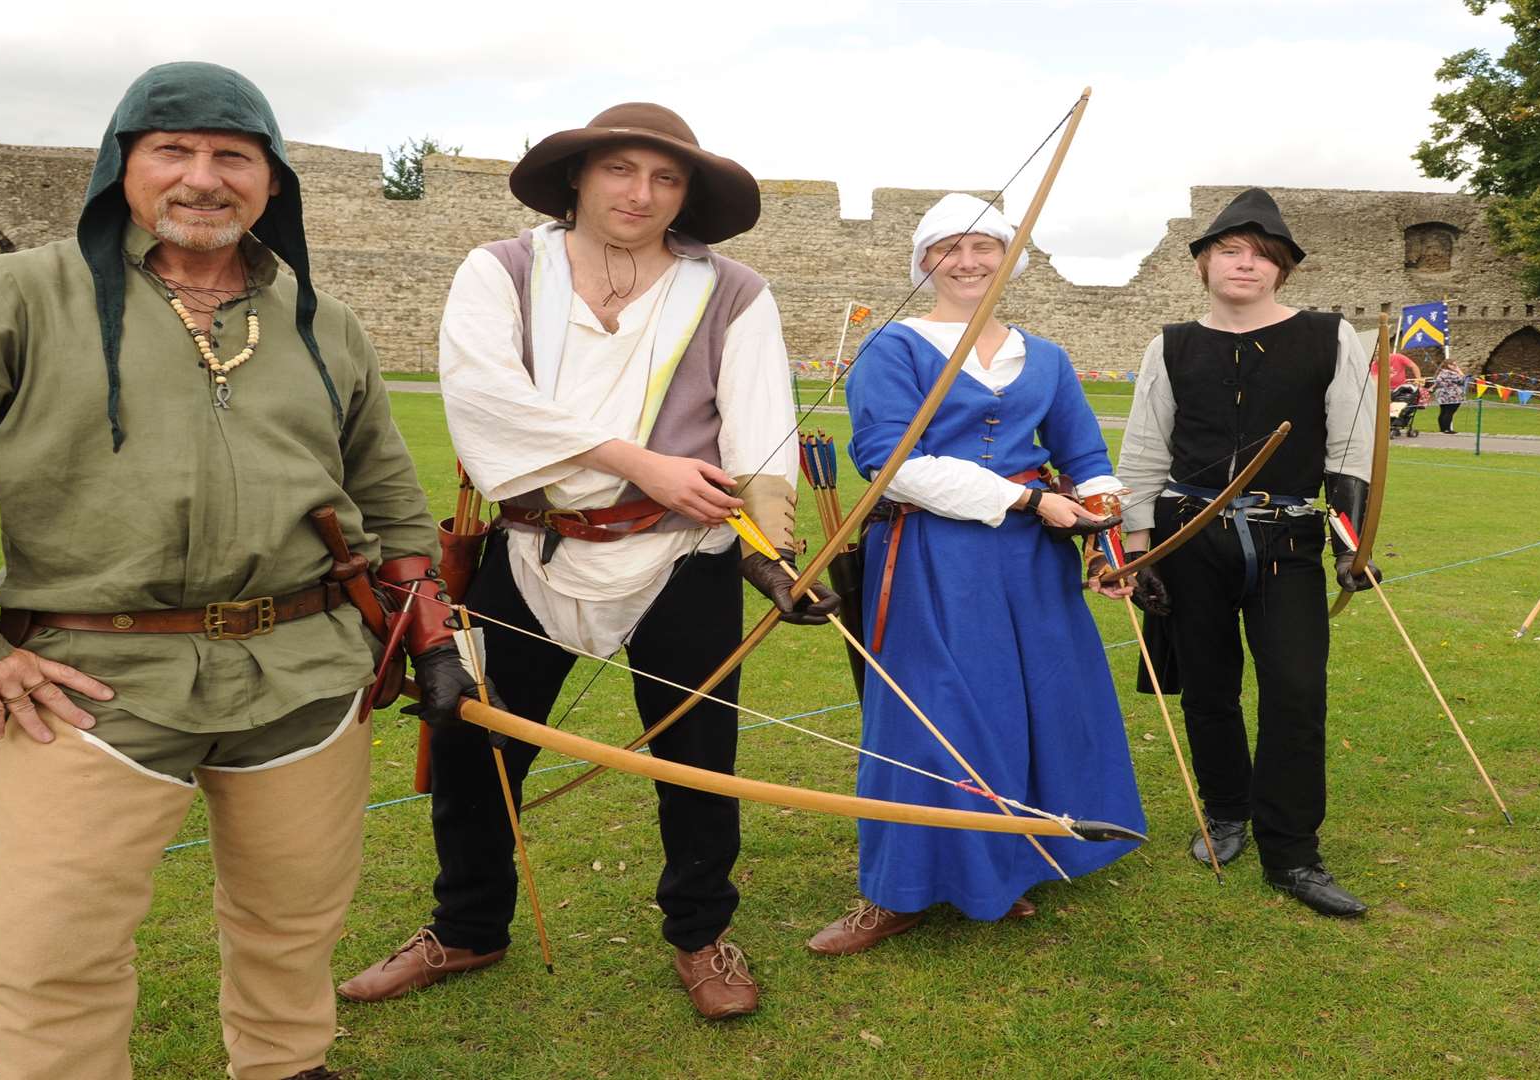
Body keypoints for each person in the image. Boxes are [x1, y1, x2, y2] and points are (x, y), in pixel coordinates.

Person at [0, 62, 458, 1080]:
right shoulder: (11, 295)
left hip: (306, 672)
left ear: (272, 181)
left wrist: (428, 622)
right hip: (87, 682)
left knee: (295, 923)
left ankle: (285, 1067)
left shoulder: (326, 324)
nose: (203, 178)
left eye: (233, 155)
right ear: (124, 168)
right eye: (173, 151)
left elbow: (387, 490)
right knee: (55, 950)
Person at [337, 102, 837, 1020]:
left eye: (666, 178)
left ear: (688, 192)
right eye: (620, 171)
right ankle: (469, 926)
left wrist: (772, 554)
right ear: (578, 175)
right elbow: (490, 402)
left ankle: (699, 933)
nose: (640, 194)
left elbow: (762, 426)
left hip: (684, 550)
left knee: (698, 755)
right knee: (473, 742)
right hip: (533, 544)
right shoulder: (502, 270)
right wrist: (637, 461)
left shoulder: (734, 290)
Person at [805, 193, 1146, 955]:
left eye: (984, 247)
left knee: (1024, 709)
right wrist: (1030, 501)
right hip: (932, 557)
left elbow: (1087, 458)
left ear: (1009, 258)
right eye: (948, 249)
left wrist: (1107, 545)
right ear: (924, 263)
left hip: (1032, 568)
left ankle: (1001, 868)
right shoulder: (893, 348)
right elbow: (892, 465)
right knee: (930, 716)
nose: (967, 262)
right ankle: (894, 892)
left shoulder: (1046, 356)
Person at [1115, 187, 1377, 918]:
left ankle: (1293, 851)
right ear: (1202, 263)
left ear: (1283, 271)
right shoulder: (1170, 346)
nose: (1246, 265)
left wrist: (1349, 547)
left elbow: (1353, 450)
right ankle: (1225, 811)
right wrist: (1142, 553)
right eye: (1231, 251)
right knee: (1207, 688)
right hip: (1188, 536)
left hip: (1286, 536)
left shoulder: (1330, 336)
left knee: (1296, 691)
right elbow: (1142, 455)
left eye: (1264, 256)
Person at [1433, 358, 1467, 434]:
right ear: (1448, 365)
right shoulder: (1452, 373)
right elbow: (1463, 380)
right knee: (1449, 412)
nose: (1456, 366)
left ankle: (1443, 429)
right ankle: (1447, 429)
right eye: (1454, 365)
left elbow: (1437, 382)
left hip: (1442, 394)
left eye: (1456, 365)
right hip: (1452, 394)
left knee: (1443, 411)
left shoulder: (1441, 372)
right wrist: (1459, 371)